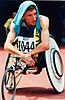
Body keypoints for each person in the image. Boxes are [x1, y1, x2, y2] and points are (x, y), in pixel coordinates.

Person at [4, 1, 49, 74]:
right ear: (22, 16)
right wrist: (22, 55)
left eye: (35, 14)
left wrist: (29, 54)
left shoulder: (43, 20)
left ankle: (36, 65)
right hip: (24, 46)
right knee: (20, 36)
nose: (34, 18)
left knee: (46, 39)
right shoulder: (15, 24)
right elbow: (7, 46)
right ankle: (21, 64)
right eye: (30, 15)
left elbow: (46, 45)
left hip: (39, 43)